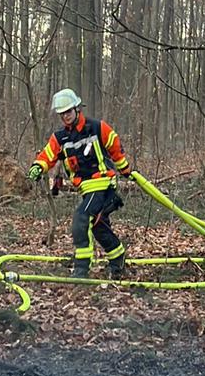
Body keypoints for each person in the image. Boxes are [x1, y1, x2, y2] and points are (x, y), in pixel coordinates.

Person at [28, 88, 132, 279]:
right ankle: (118, 261)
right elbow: (48, 155)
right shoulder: (60, 138)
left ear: (77, 108)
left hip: (104, 186)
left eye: (68, 112)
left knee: (81, 220)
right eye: (62, 114)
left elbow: (115, 146)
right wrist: (38, 166)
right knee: (99, 226)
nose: (66, 117)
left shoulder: (97, 127)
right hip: (86, 190)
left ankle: (81, 270)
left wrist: (125, 170)